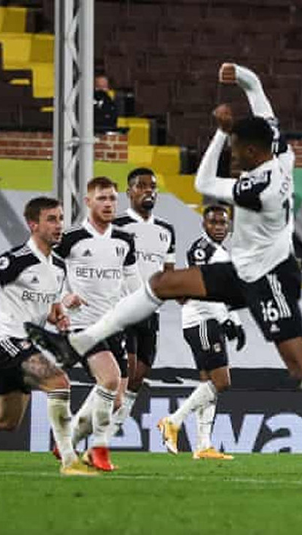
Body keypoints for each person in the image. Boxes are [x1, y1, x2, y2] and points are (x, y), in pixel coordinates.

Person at [26, 62, 302, 488]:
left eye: (239, 150)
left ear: (255, 155)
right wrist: (240, 75)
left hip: (269, 279)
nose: (234, 155)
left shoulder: (255, 188)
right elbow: (258, 89)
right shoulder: (281, 151)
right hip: (239, 269)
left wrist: (220, 131)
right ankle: (77, 342)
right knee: (163, 284)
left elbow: (205, 180)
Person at [0, 197, 95, 476]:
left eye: (61, 218)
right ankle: (70, 460)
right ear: (33, 224)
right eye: (51, 219)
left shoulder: (58, 267)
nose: (59, 225)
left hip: (22, 344)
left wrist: (58, 315)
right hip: (4, 341)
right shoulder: (16, 259)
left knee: (6, 421)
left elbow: (46, 309)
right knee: (59, 383)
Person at [54, 176, 141, 472]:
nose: (108, 204)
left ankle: (70, 437)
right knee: (109, 379)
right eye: (102, 198)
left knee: (116, 399)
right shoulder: (71, 239)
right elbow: (48, 272)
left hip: (114, 325)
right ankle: (98, 449)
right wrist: (64, 297)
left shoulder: (124, 240)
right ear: (88, 201)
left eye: (113, 199)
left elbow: (134, 284)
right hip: (83, 326)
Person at [158, 204, 243, 460]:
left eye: (223, 223)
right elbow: (204, 290)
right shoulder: (202, 250)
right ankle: (173, 421)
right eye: (213, 223)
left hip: (208, 320)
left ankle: (203, 445)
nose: (219, 227)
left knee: (209, 384)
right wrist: (224, 320)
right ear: (203, 225)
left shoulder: (220, 251)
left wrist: (234, 320)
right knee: (221, 382)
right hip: (202, 321)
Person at [109, 168, 176, 438]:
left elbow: (169, 271)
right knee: (124, 374)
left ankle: (113, 427)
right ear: (129, 192)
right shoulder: (117, 226)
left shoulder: (166, 230)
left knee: (138, 377)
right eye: (142, 185)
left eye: (153, 186)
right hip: (124, 310)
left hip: (151, 311)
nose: (149, 190)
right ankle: (98, 430)